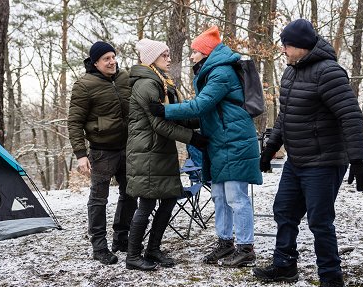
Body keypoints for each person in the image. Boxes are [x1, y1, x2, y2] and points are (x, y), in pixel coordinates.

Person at [252, 19, 363, 287]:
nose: (282, 49)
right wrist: (270, 149)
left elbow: (350, 116)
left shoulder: (328, 73)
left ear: (301, 46)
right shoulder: (291, 73)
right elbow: (285, 116)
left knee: (320, 221)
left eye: (286, 45)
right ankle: (284, 265)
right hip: (298, 158)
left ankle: (332, 277)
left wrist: (358, 159)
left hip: (325, 160)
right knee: (284, 211)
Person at [149, 26, 262, 268]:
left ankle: (246, 248)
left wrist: (165, 110)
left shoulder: (221, 73)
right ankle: (225, 243)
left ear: (206, 52)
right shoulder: (211, 71)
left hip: (235, 142)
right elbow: (208, 111)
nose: (191, 56)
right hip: (221, 143)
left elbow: (201, 105)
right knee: (220, 196)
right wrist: (181, 118)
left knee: (236, 198)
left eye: (195, 51)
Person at [125, 38, 208, 271]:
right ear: (152, 59)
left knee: (170, 197)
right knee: (147, 202)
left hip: (161, 152)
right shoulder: (146, 85)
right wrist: (194, 138)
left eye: (169, 55)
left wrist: (199, 119)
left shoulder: (164, 82)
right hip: (147, 151)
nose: (169, 59)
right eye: (164, 55)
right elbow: (159, 124)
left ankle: (153, 249)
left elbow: (174, 115)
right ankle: (133, 255)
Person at [68, 41, 138, 265]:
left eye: (113, 56)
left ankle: (121, 238)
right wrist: (80, 154)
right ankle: (99, 246)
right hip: (101, 152)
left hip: (128, 149)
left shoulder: (125, 78)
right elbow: (74, 121)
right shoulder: (84, 85)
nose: (112, 61)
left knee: (130, 195)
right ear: (95, 62)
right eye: (106, 58)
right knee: (99, 199)